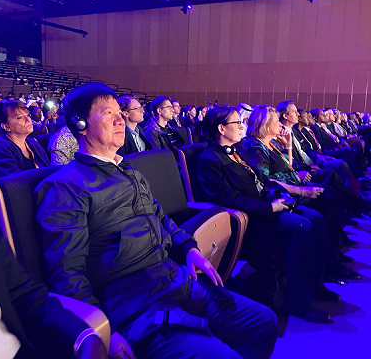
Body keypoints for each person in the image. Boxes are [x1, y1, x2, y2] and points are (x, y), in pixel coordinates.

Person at [35, 82, 279, 359]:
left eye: (119, 112)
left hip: (174, 278)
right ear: (80, 124)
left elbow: (160, 217)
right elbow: (66, 273)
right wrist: (100, 330)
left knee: (264, 322)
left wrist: (189, 248)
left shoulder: (129, 171)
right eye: (107, 112)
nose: (120, 119)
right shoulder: (65, 187)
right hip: (130, 302)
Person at [196, 106, 338, 323]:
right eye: (237, 123)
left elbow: (262, 179)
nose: (242, 126)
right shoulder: (209, 160)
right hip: (250, 216)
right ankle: (298, 303)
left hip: (266, 203)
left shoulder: (237, 150)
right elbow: (228, 199)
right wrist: (270, 207)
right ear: (222, 129)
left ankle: (315, 285)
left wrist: (281, 194)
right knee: (303, 227)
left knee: (317, 219)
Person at [0, 176, 106, 359]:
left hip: (18, 349)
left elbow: (20, 292)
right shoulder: (64, 186)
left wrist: (85, 336)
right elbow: (67, 270)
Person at [244, 105, 360, 282]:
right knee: (328, 198)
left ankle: (331, 257)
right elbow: (265, 179)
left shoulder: (271, 143)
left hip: (294, 185)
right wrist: (301, 189)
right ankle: (329, 262)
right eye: (276, 121)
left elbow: (289, 167)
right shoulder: (255, 146)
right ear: (265, 124)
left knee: (331, 195)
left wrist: (289, 146)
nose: (280, 124)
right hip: (284, 194)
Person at [0, 100, 50, 201]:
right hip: (11, 202)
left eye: (28, 115)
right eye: (20, 117)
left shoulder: (33, 143)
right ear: (6, 126)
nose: (28, 120)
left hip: (38, 196)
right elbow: (15, 184)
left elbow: (49, 170)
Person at [144, 96, 184, 161]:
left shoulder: (170, 129)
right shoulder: (151, 131)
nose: (172, 110)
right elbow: (158, 157)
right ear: (159, 110)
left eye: (172, 107)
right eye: (169, 107)